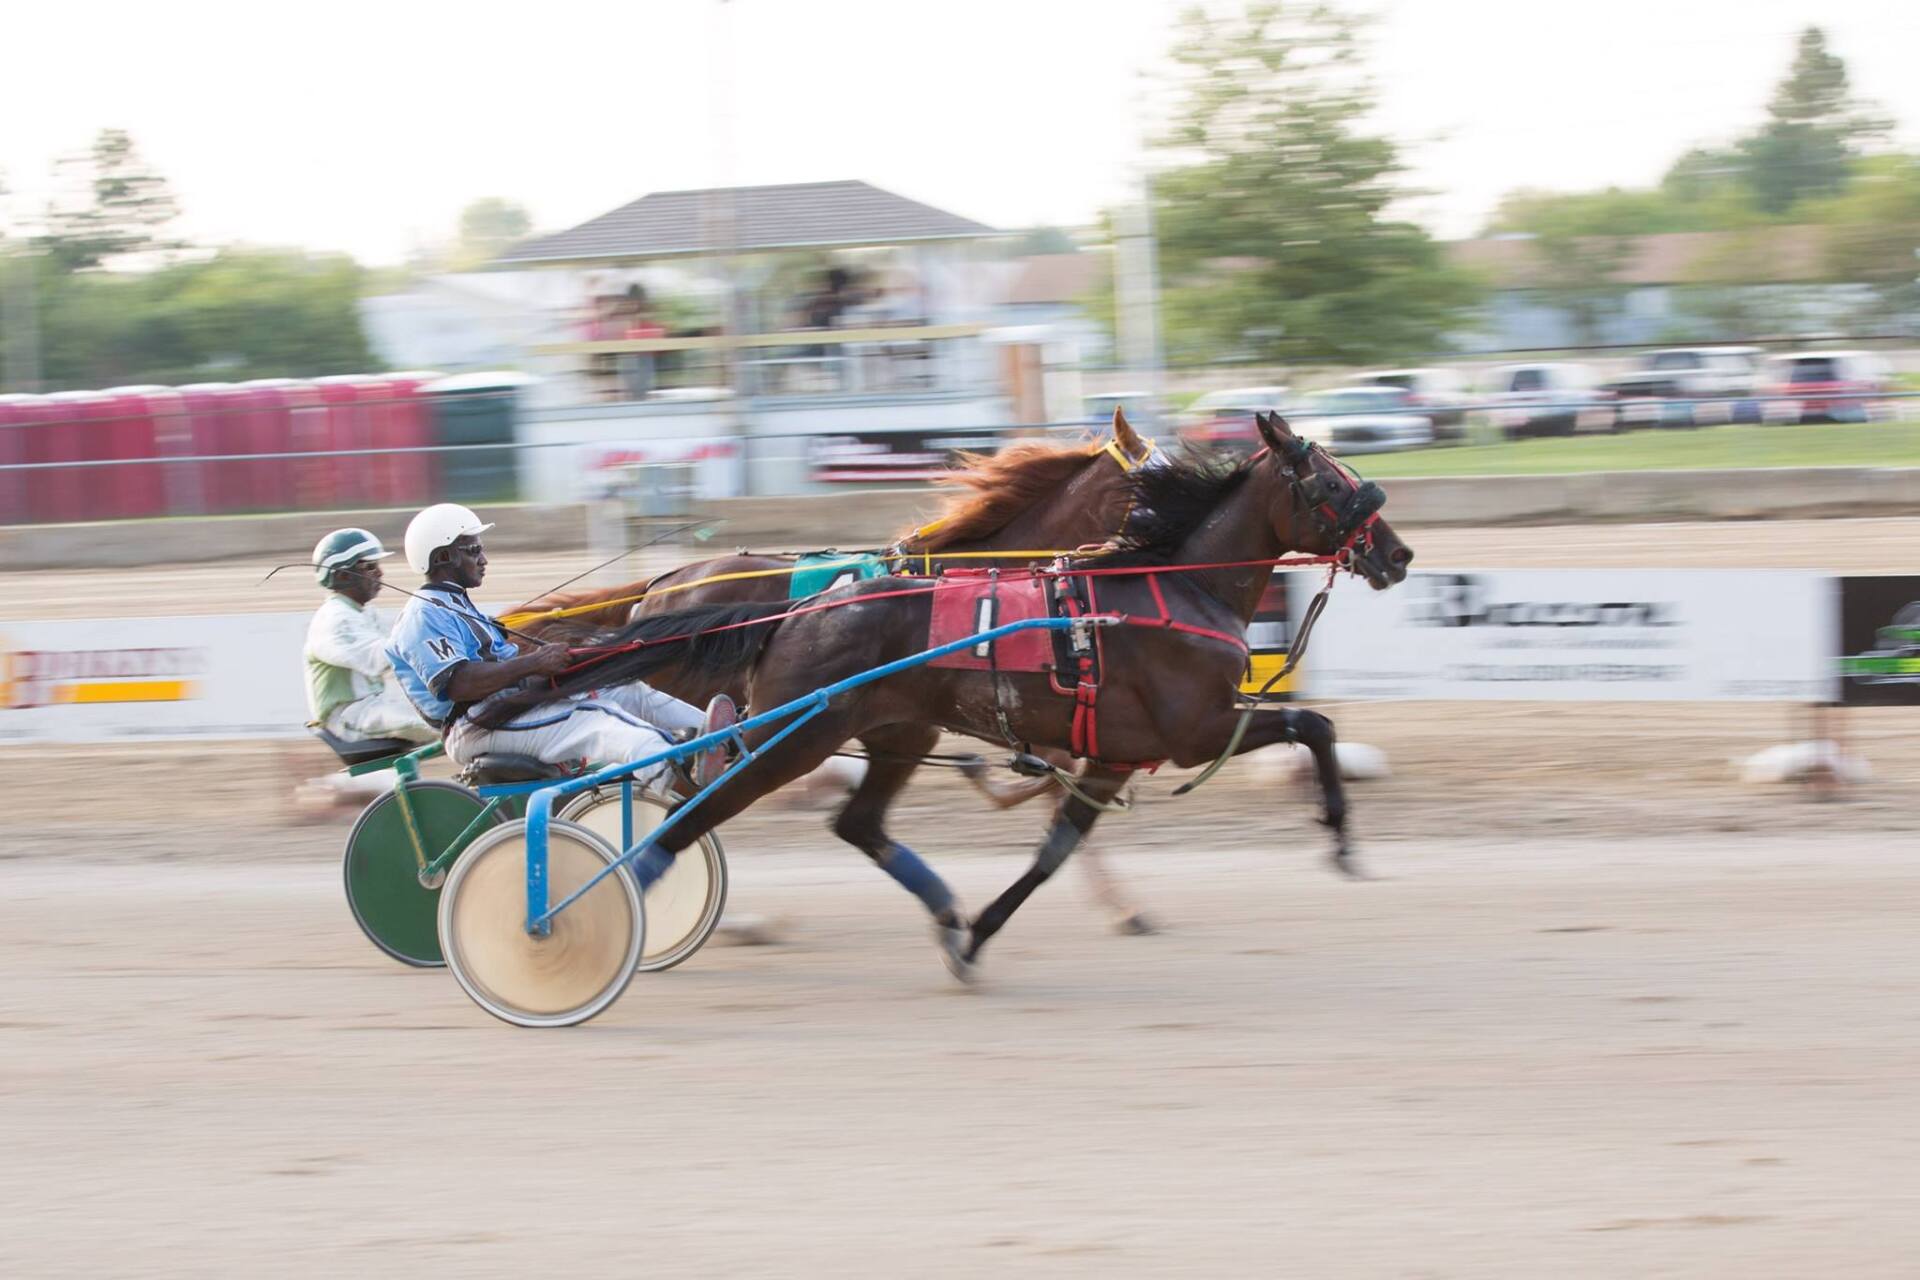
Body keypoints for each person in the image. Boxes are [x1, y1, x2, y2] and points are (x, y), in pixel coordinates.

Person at [382, 503, 732, 792]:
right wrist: (534, 663)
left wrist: (571, 659)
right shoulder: (423, 615)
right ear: (443, 557)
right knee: (596, 720)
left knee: (626, 690)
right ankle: (677, 775)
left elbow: (506, 665)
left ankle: (722, 737)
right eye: (473, 550)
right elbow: (461, 683)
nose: (484, 558)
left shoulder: (458, 605)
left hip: (509, 707)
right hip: (475, 725)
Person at [304, 528, 436, 746]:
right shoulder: (334, 620)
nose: (380, 574)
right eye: (370, 567)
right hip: (349, 718)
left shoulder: (364, 612)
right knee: (440, 722)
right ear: (344, 575)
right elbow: (380, 659)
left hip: (374, 706)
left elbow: (402, 645)